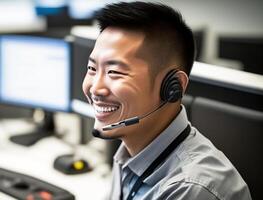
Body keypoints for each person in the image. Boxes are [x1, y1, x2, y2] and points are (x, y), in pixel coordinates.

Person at [82, 1, 252, 200]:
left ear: (172, 87)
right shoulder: (130, 150)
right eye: (92, 69)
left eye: (115, 72)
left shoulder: (192, 188)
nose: (95, 88)